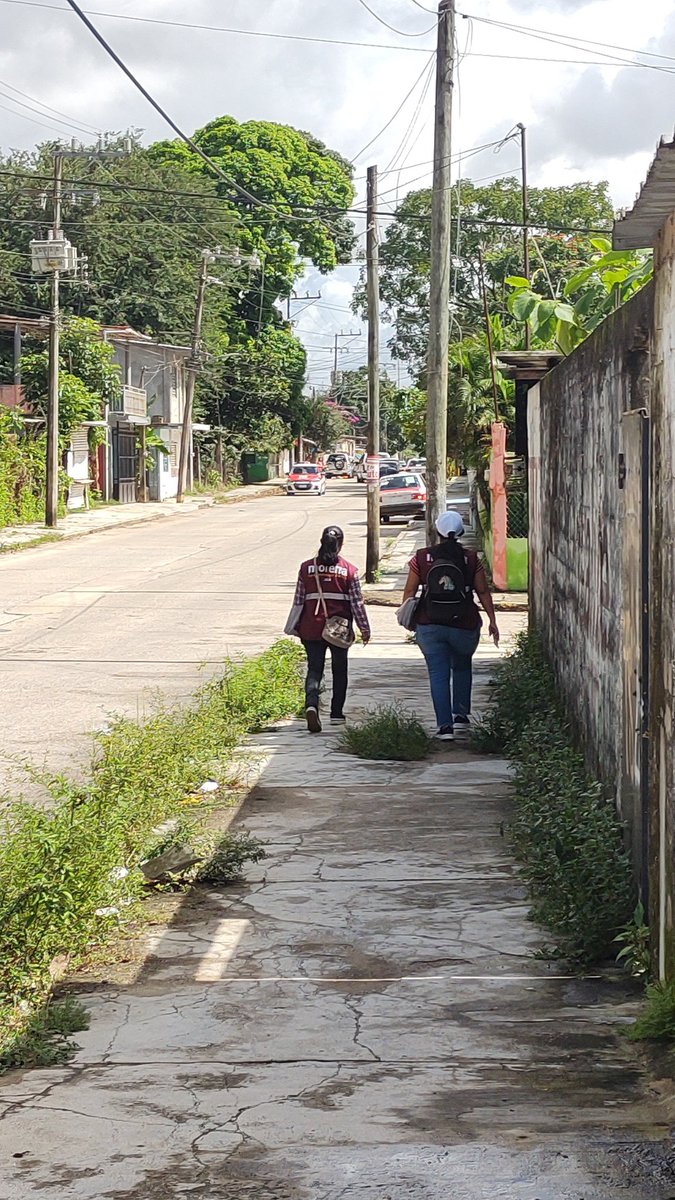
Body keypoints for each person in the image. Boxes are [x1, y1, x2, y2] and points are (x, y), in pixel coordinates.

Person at [401, 510, 499, 742]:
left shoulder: (422, 557)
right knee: (462, 667)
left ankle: (445, 727)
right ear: (461, 532)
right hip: (464, 624)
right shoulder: (471, 559)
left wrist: (407, 616)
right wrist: (492, 621)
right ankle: (461, 717)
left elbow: (410, 591)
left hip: (429, 624)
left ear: (438, 532)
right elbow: (483, 591)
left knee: (438, 674)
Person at [287, 526, 371, 733]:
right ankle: (336, 714)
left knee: (314, 669)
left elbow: (299, 601)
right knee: (339, 670)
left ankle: (311, 705)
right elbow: (357, 603)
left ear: (321, 541)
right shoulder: (349, 571)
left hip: (311, 626)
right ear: (340, 544)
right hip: (339, 630)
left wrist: (294, 626)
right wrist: (364, 628)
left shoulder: (306, 568)